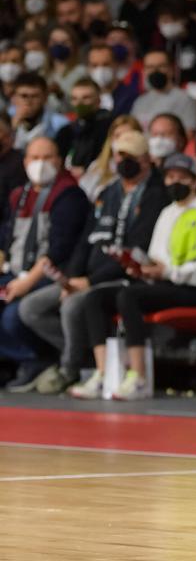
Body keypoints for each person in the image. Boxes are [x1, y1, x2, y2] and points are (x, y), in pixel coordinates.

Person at [18, 130, 169, 395]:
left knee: (73, 306)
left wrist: (88, 282)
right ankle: (90, 357)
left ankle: (71, 368)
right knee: (31, 308)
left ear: (146, 159)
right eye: (118, 155)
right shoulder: (108, 192)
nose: (122, 160)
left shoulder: (156, 195)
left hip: (124, 276)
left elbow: (136, 248)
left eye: (129, 155)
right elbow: (86, 240)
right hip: (86, 275)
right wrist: (71, 279)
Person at [68, 153, 196, 400]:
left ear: (194, 181)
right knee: (96, 298)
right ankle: (102, 373)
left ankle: (138, 376)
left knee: (129, 295)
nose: (175, 182)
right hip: (165, 281)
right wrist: (141, 267)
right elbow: (155, 255)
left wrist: (167, 271)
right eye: (170, 177)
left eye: (182, 178)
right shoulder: (168, 212)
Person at [0, 138, 89, 391]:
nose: (40, 164)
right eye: (34, 158)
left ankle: (38, 359)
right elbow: (7, 237)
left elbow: (59, 249)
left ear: (59, 160)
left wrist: (27, 282)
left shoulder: (69, 195)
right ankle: (17, 360)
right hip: (15, 271)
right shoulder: (19, 194)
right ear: (25, 161)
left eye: (47, 157)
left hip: (52, 274)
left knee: (12, 315)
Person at [130, 50, 196, 133]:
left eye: (161, 66)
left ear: (171, 69)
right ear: (144, 71)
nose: (155, 71)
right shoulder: (140, 101)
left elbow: (189, 134)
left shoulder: (184, 99)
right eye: (150, 67)